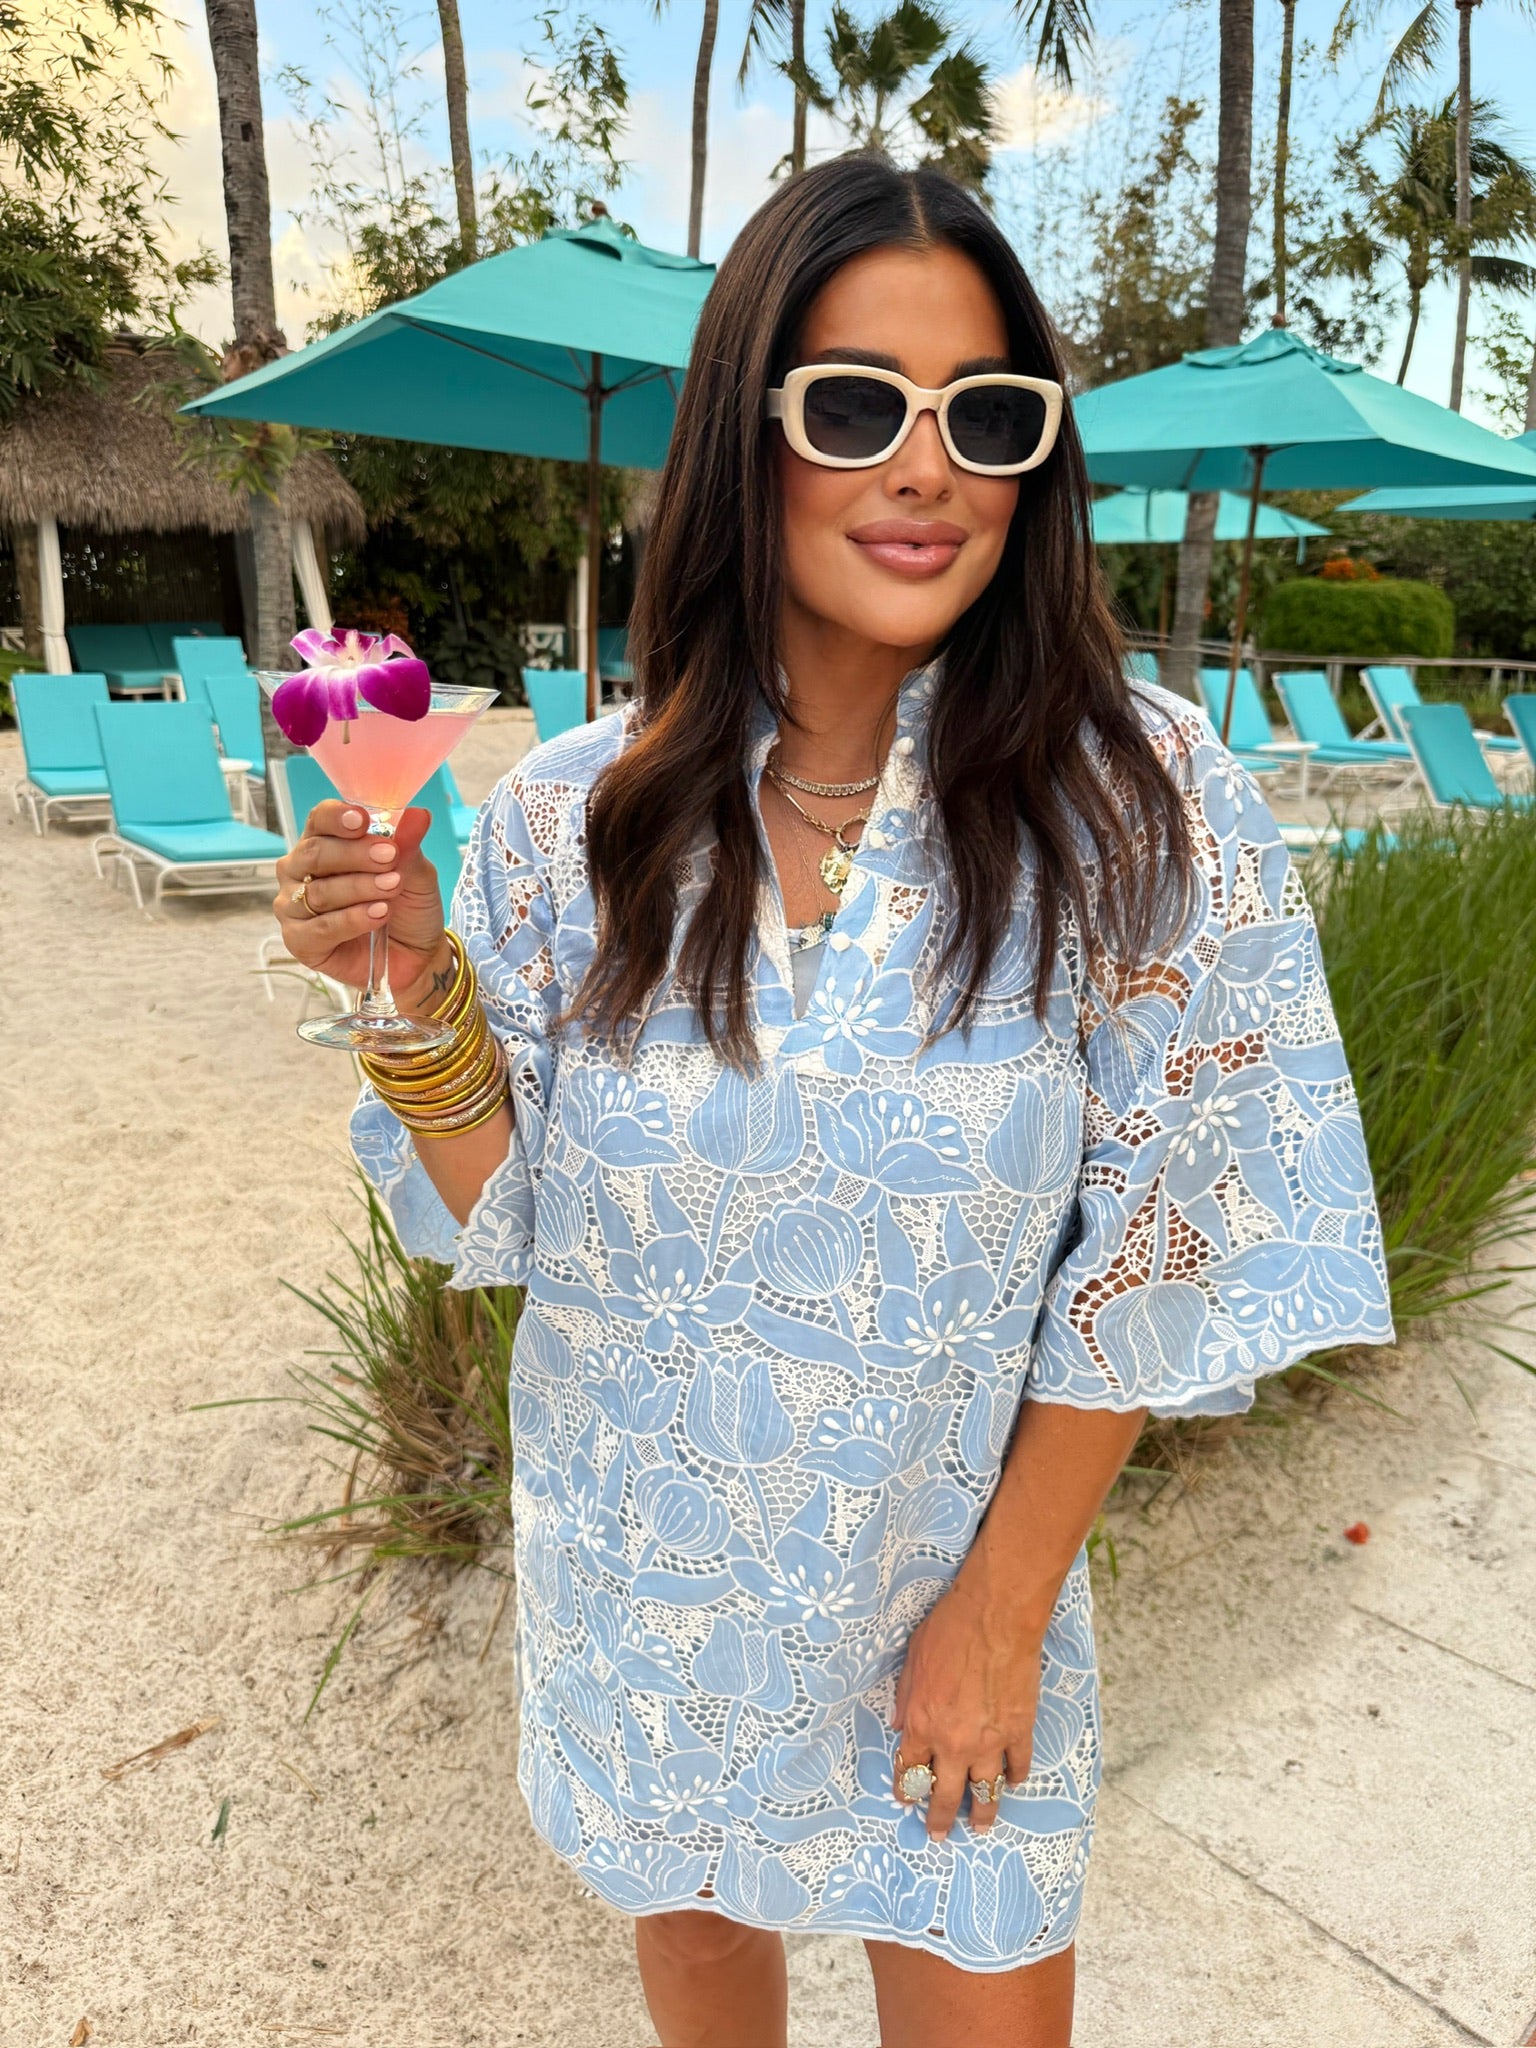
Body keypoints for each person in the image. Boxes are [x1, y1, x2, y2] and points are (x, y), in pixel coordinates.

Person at [272, 155, 1395, 2048]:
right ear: (749, 433)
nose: (929, 468)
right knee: (700, 1963)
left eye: (989, 416)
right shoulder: (577, 813)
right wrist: (407, 984)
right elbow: (518, 1213)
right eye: (860, 407)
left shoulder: (1138, 806)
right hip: (651, 1594)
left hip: (949, 1604)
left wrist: (1001, 1615)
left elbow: (1167, 1236)